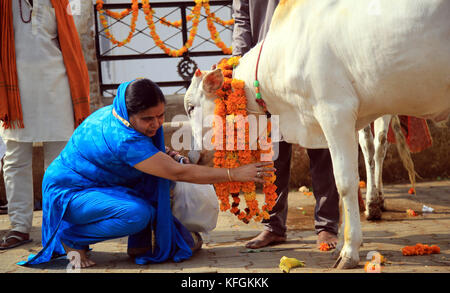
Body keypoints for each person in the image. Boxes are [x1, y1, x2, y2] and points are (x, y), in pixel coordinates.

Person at [19, 78, 275, 268]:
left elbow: (161, 158)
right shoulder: (125, 141)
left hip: (94, 184)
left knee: (160, 191)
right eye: (147, 119)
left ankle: (151, 239)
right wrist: (234, 173)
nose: (156, 124)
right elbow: (180, 173)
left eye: (161, 116)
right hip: (69, 193)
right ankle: (71, 237)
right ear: (130, 115)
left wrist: (167, 153)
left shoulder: (117, 112)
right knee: (138, 214)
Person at [232, 0, 340, 249]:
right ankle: (273, 226)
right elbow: (242, 18)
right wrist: (241, 62)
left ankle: (326, 226)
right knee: (272, 154)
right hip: (266, 71)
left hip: (309, 64)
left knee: (321, 148)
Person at [0, 0, 90, 250]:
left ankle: (59, 224)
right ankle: (19, 226)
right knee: (16, 160)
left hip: (57, 88)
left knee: (59, 160)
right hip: (15, 93)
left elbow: (74, 38)